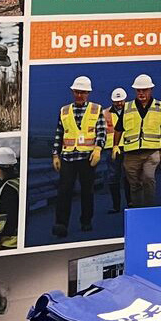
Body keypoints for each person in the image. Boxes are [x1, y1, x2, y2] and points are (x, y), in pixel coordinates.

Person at [52, 74, 104, 237]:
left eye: (83, 92)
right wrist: (55, 154)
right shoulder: (64, 111)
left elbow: (101, 132)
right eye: (77, 92)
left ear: (88, 93)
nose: (79, 95)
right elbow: (59, 133)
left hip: (87, 158)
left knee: (87, 191)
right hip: (68, 157)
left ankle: (86, 221)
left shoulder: (96, 109)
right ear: (73, 92)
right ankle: (61, 224)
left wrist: (98, 149)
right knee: (64, 190)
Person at [119, 74, 161, 208]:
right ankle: (138, 210)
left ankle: (149, 209)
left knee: (148, 178)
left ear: (151, 90)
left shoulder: (160, 107)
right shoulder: (127, 107)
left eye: (144, 90)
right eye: (138, 90)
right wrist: (115, 145)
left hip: (151, 151)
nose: (141, 93)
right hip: (131, 153)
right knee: (134, 184)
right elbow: (118, 129)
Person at [104, 87, 129, 214]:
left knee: (128, 176)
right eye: (116, 101)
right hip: (111, 149)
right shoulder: (105, 113)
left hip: (128, 147)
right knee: (113, 177)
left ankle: (131, 204)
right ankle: (116, 206)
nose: (119, 103)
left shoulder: (131, 111)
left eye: (121, 101)